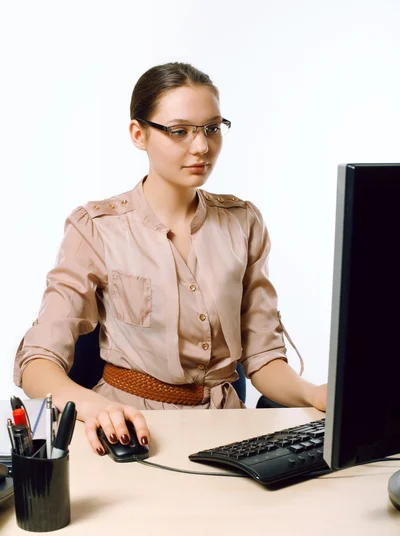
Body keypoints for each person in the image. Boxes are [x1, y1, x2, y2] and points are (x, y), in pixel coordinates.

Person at [13, 62, 327, 457]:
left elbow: (262, 358)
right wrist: (97, 408)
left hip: (229, 428)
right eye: (180, 131)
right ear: (138, 134)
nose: (201, 147)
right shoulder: (96, 228)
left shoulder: (243, 223)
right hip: (131, 432)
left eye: (212, 128)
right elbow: (37, 362)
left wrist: (314, 392)